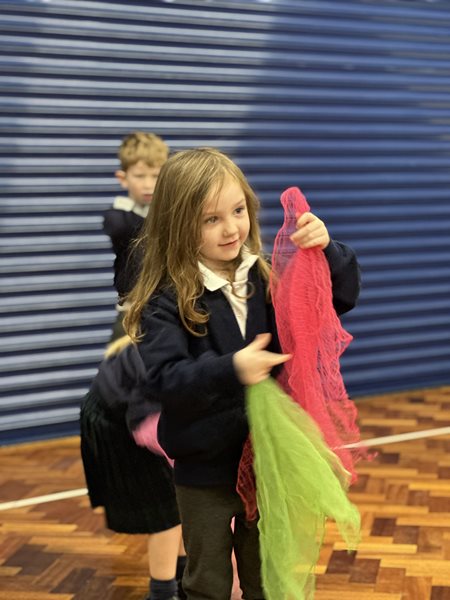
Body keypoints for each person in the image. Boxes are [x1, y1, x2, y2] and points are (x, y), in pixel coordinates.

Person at [124, 148, 361, 600]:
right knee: (208, 581)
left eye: (238, 211)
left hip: (265, 462)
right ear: (178, 225)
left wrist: (326, 251)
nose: (232, 228)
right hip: (204, 471)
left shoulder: (264, 277)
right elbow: (166, 379)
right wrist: (233, 368)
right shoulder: (165, 301)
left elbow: (336, 300)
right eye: (211, 220)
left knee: (263, 576)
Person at [80, 335, 186, 600]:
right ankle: (163, 593)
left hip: (131, 413)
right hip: (120, 424)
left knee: (180, 499)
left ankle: (184, 577)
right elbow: (146, 424)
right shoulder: (161, 354)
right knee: (167, 511)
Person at [103, 131, 169, 339]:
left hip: (166, 311)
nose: (148, 184)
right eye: (140, 176)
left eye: (156, 176)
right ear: (123, 179)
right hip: (131, 312)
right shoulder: (118, 217)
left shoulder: (166, 214)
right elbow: (128, 228)